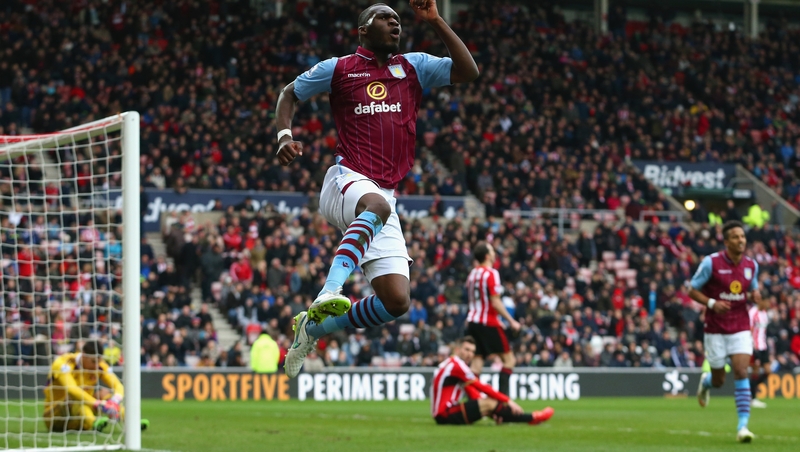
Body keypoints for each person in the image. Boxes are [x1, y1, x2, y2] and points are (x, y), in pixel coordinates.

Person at [275, 0, 479, 378]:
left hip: (384, 194)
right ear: (364, 29)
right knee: (376, 205)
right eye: (385, 18)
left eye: (398, 19)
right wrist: (284, 135)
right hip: (345, 178)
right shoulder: (338, 69)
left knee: (396, 302)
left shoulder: (413, 66)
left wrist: (435, 20)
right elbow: (289, 93)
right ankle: (330, 291)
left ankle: (313, 328)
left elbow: (468, 71)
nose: (394, 24)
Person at [689, 220, 766, 443]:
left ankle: (743, 427)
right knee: (720, 380)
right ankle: (706, 383)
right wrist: (712, 303)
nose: (741, 240)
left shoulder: (751, 265)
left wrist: (755, 296)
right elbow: (692, 290)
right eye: (735, 237)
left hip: (741, 326)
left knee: (742, 371)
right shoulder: (710, 263)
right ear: (726, 241)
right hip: (715, 329)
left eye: (742, 236)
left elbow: (752, 288)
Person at [430, 336, 553, 426]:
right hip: (445, 414)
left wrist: (491, 410)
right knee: (489, 402)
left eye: (472, 351)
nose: (470, 354)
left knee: (488, 404)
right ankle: (532, 417)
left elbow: (471, 390)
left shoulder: (451, 364)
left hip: (443, 414)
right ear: (458, 349)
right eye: (466, 350)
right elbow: (481, 387)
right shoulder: (458, 365)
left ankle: (526, 418)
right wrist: (508, 401)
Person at [43, 340, 149, 432]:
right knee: (74, 398)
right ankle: (92, 422)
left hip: (81, 415)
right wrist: (97, 404)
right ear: (84, 355)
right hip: (55, 416)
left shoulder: (99, 366)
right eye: (93, 361)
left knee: (104, 393)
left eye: (98, 362)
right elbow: (72, 389)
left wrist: (115, 400)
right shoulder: (63, 363)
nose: (96, 366)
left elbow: (117, 385)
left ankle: (132, 423)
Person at [465, 242, 520, 395]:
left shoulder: (472, 274)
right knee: (509, 361)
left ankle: (474, 403)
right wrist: (511, 321)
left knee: (476, 366)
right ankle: (502, 406)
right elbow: (495, 302)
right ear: (488, 256)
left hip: (472, 322)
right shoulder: (491, 273)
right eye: (492, 250)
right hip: (488, 323)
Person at [748, 304, 770, 409]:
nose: (769, 304)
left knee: (768, 371)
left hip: (764, 346)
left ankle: (751, 386)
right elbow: (750, 329)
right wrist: (752, 345)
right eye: (767, 301)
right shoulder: (753, 312)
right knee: (755, 371)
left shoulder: (764, 312)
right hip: (755, 346)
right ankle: (753, 398)